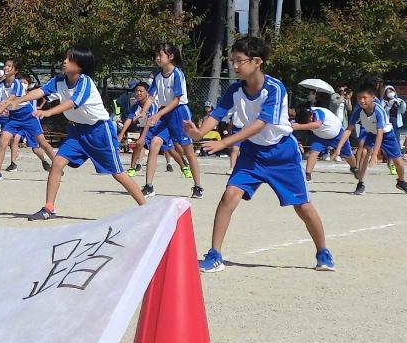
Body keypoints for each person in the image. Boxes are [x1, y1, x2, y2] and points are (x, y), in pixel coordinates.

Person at [192, 36, 331, 271]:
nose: (234, 66)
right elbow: (217, 114)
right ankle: (215, 254)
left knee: (303, 207)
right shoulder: (235, 90)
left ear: (256, 61)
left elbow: (261, 123)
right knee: (229, 196)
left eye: (239, 60)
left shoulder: (275, 88)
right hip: (252, 154)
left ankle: (323, 252)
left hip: (282, 154)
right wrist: (198, 133)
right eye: (232, 60)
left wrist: (224, 142)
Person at [28, 47, 147, 218]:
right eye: (65, 58)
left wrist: (48, 112)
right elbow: (40, 91)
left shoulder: (85, 82)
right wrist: (18, 99)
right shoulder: (59, 80)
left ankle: (146, 208)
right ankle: (49, 208)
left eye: (70, 59)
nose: (64, 61)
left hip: (99, 131)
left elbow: (73, 102)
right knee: (57, 162)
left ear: (80, 65)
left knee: (117, 173)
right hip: (77, 130)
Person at [140, 44, 201, 196]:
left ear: (171, 57)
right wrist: (143, 111)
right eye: (156, 55)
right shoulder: (158, 76)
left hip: (179, 112)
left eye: (160, 55)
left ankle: (198, 186)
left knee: (187, 150)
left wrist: (158, 115)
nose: (157, 58)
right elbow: (152, 95)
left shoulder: (177, 74)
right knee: (155, 143)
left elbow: (176, 100)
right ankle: (149, 186)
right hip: (165, 113)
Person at [294, 99, 346, 176]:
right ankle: (308, 174)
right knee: (314, 152)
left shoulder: (318, 111)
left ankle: (354, 167)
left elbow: (317, 124)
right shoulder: (302, 117)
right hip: (320, 136)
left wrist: (299, 126)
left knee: (348, 155)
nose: (311, 119)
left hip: (337, 133)